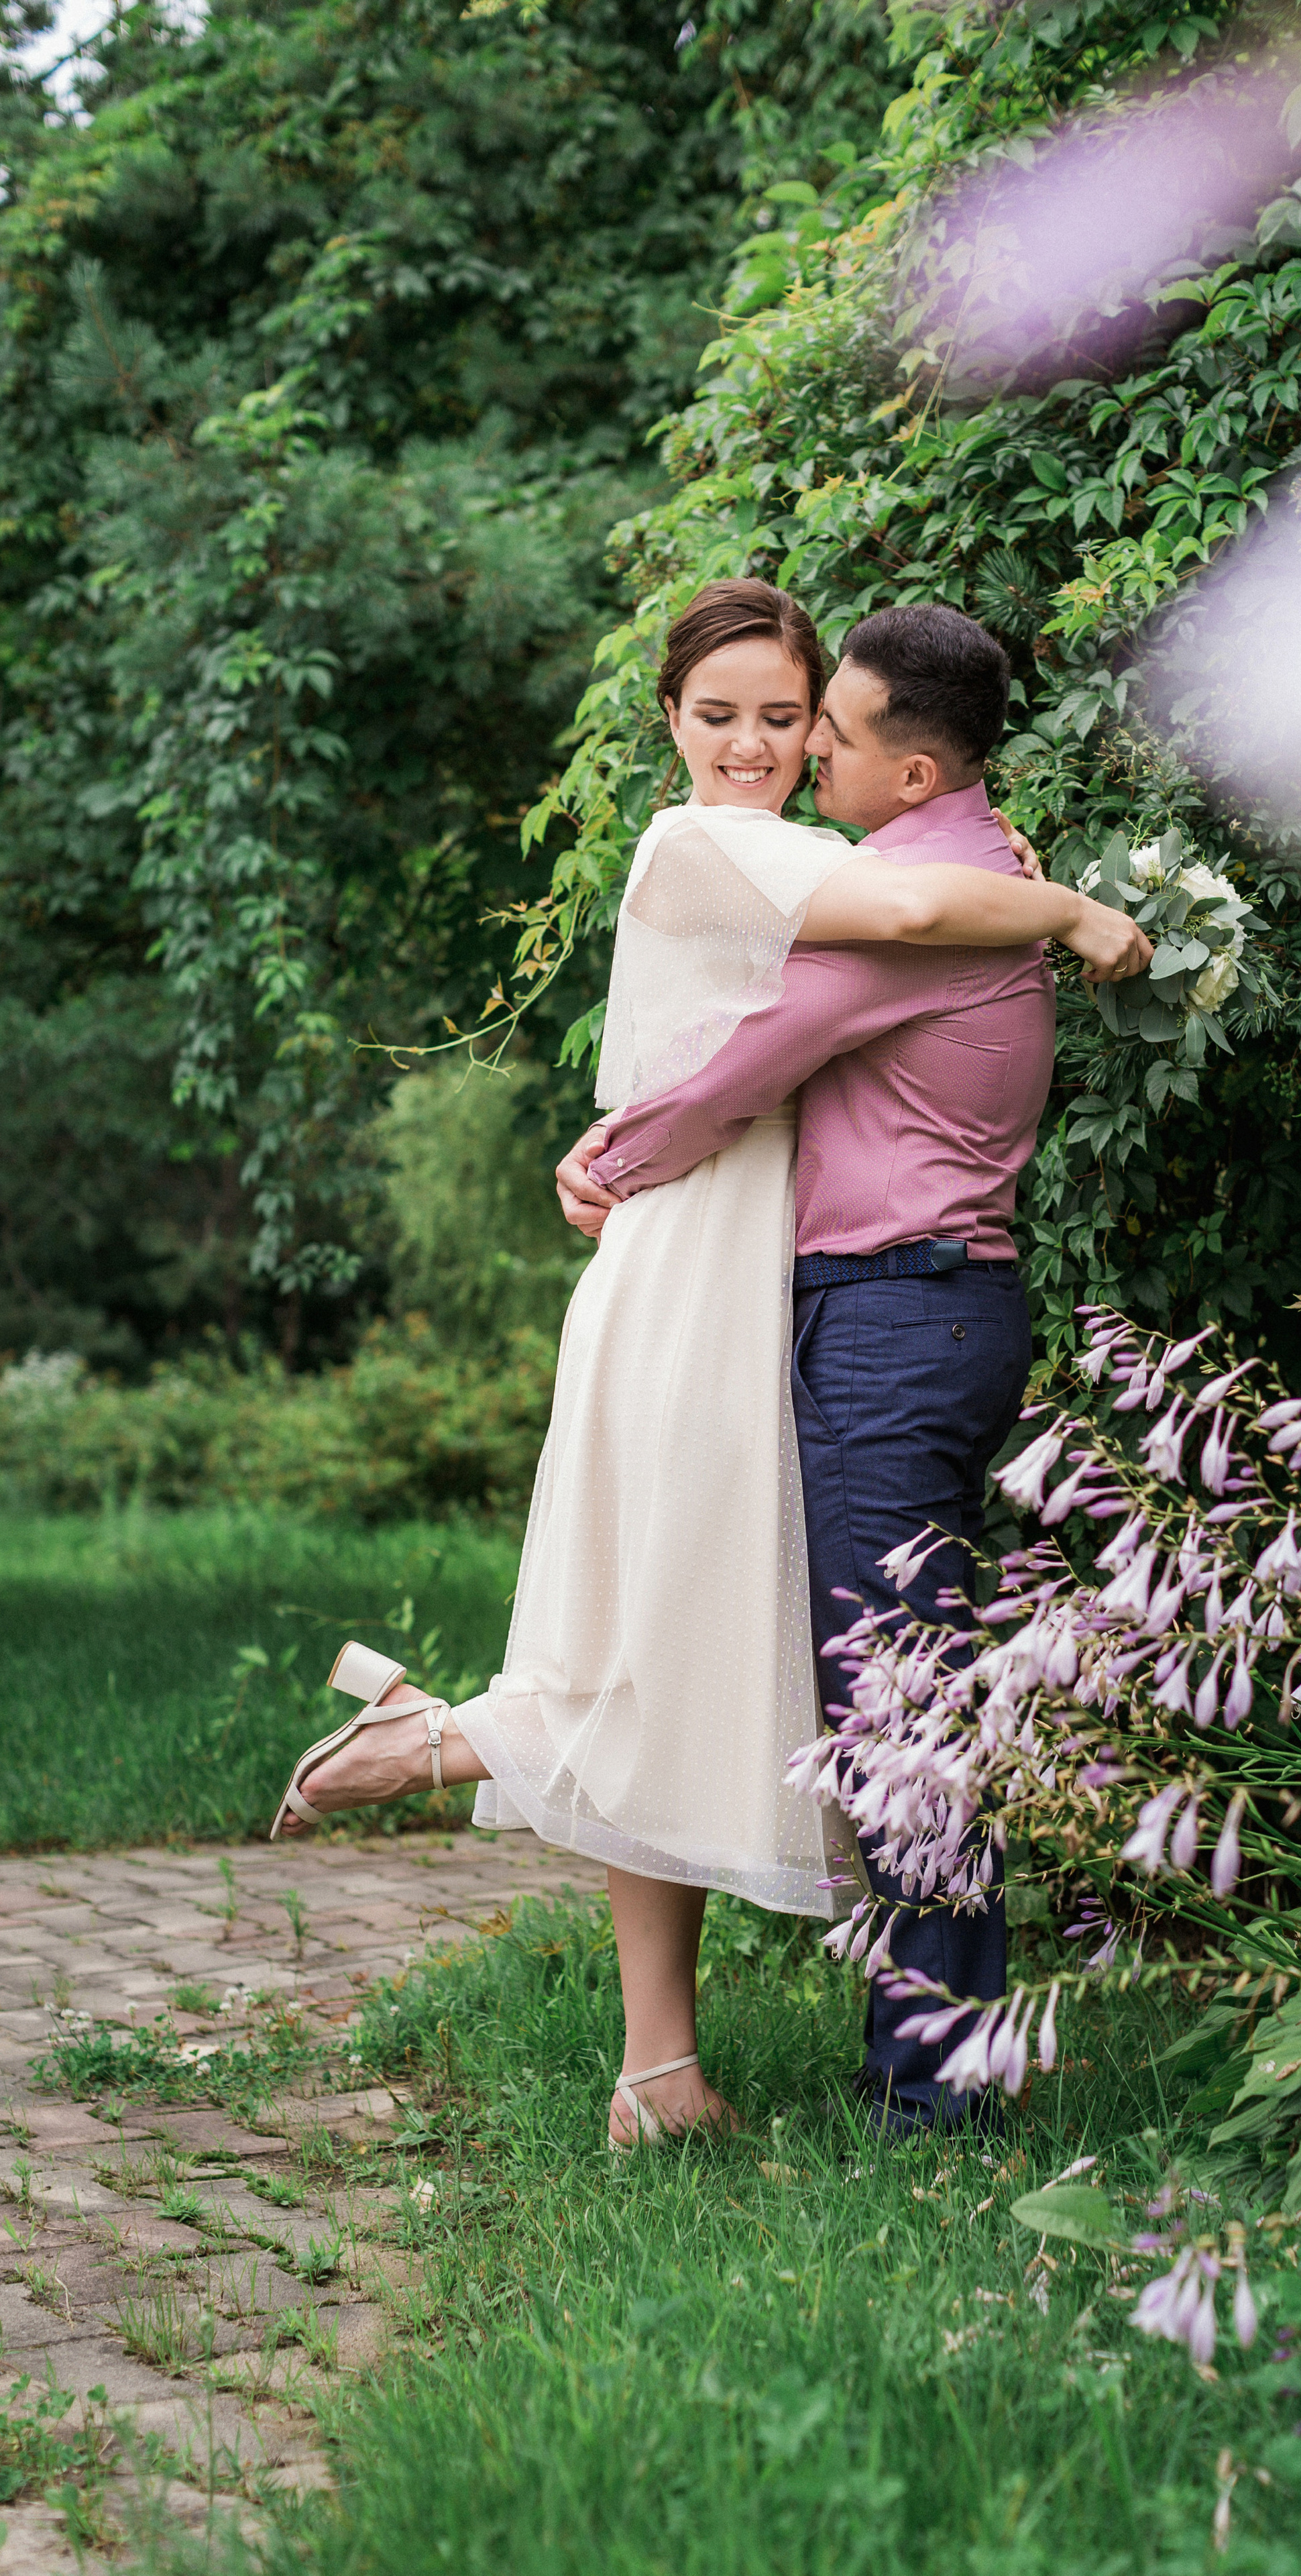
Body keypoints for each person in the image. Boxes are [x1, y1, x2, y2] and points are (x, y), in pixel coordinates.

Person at [272, 579, 1149, 2148]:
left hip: (794, 1279)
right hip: (702, 1268)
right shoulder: (724, 847)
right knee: (695, 1620)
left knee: (740, 1643)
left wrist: (1006, 873)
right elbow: (810, 1000)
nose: (763, 746)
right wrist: (1063, 904)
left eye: (789, 717)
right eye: (719, 715)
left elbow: (878, 929)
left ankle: (643, 2024)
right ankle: (489, 1777)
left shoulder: (866, 858)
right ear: (668, 722)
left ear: (845, 731)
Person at [559, 598, 1153, 2135]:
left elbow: (740, 1068)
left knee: (901, 1701)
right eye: (751, 721)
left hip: (892, 1315)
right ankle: (933, 2059)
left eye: (819, 730)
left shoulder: (912, 894)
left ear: (904, 768)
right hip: (931, 1309)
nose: (795, 751)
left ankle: (936, 2091)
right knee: (915, 1686)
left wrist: (606, 1161)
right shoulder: (972, 860)